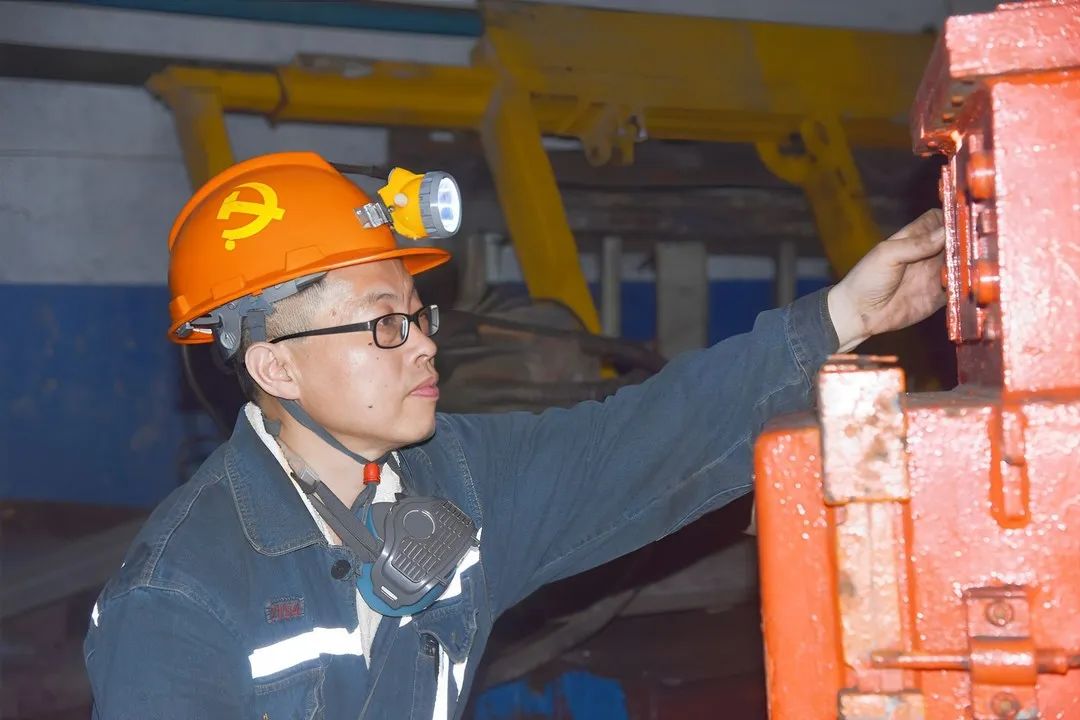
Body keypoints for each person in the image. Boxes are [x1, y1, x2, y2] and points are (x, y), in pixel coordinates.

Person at [83, 151, 946, 719]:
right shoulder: (178, 596)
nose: (423, 343)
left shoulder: (456, 478)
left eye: (418, 314)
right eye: (383, 324)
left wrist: (844, 315)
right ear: (275, 367)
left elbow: (648, 437)